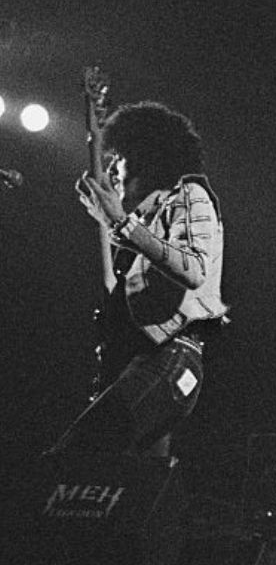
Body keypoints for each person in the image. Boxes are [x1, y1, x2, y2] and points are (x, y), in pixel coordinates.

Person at [51, 101, 227, 458]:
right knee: (134, 487)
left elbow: (194, 269)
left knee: (75, 457)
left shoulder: (189, 196)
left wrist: (122, 224)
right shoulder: (142, 228)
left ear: (147, 159)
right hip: (143, 361)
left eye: (122, 158)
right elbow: (114, 287)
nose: (114, 167)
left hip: (171, 359)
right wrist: (94, 133)